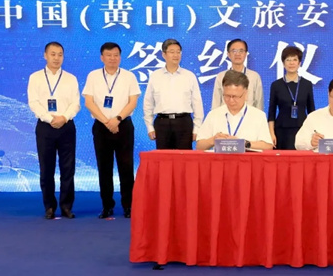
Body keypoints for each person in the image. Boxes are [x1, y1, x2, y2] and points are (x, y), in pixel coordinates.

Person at [82, 42, 141, 219]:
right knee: (104, 167)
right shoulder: (93, 76)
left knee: (126, 167)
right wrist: (106, 121)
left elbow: (133, 102)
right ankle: (107, 206)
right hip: (101, 127)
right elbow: (89, 102)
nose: (112, 58)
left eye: (116, 55)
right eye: (109, 55)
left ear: (120, 57)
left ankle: (129, 205)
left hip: (124, 125)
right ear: (102, 57)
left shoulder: (129, 76)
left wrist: (117, 119)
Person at [27, 42, 80, 219]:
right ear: (45, 55)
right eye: (53, 54)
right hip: (45, 127)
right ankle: (49, 207)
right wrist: (50, 119)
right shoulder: (35, 77)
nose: (56, 58)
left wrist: (64, 118)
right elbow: (33, 102)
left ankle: (66, 207)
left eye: (60, 54)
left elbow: (75, 103)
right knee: (46, 168)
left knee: (68, 168)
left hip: (66, 126)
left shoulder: (71, 78)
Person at [143, 39, 204, 149]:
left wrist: (196, 128)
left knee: (184, 157)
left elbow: (197, 103)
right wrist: (149, 127)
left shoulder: (189, 76)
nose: (176, 55)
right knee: (164, 158)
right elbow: (148, 103)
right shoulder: (155, 76)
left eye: (178, 52)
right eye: (172, 52)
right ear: (164, 54)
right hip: (162, 123)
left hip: (184, 123)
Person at [196, 71, 273, 151]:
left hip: (247, 159)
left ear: (246, 93)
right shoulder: (213, 115)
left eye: (235, 96)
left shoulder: (258, 116)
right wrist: (213, 140)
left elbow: (268, 146)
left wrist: (244, 143)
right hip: (220, 159)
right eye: (227, 96)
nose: (231, 100)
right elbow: (199, 146)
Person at [267, 46, 315, 149]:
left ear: (299, 63)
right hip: (281, 131)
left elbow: (312, 111)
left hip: (302, 129)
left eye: (294, 60)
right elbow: (271, 112)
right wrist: (271, 133)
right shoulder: (276, 85)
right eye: (288, 60)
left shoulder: (307, 84)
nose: (291, 63)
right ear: (283, 63)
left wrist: (313, 132)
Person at [211, 39, 264, 110]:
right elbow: (216, 103)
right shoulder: (221, 76)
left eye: (241, 51)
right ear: (228, 54)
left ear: (246, 54)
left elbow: (259, 104)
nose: (237, 54)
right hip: (225, 115)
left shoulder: (254, 76)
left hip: (248, 116)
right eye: (234, 51)